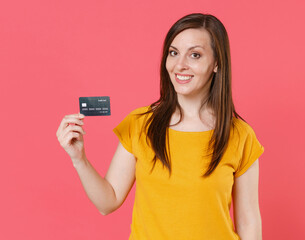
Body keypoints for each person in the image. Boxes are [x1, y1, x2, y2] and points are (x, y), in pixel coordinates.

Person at [56, 13, 265, 240]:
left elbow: (248, 221)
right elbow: (108, 201)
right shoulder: (140, 124)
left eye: (195, 55)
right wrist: (79, 158)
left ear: (216, 63)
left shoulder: (239, 135)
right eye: (173, 53)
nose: (180, 65)